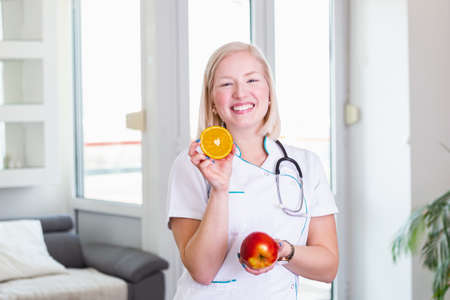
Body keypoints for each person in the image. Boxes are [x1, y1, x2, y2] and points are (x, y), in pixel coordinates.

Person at [167, 41, 338, 299]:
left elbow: (328, 267)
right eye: (226, 84)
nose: (240, 93)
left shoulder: (306, 165)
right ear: (212, 101)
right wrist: (220, 190)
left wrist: (285, 251)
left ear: (269, 93)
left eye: (252, 80)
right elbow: (202, 271)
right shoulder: (194, 163)